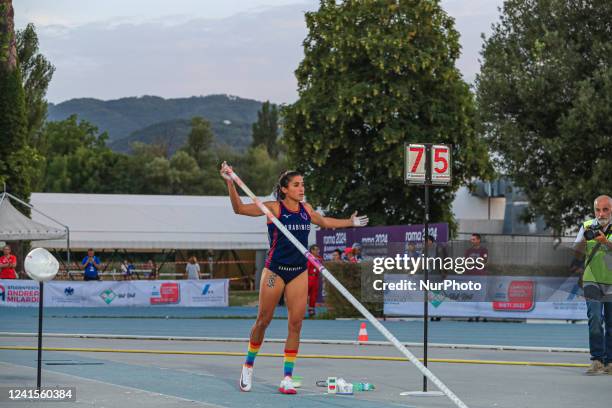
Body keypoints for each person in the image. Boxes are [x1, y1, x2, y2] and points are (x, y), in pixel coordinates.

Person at [220, 163, 368, 394]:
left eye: (303, 185)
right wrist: (230, 181)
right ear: (285, 189)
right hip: (274, 272)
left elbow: (325, 222)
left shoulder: (306, 209)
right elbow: (238, 208)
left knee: (296, 324)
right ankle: (248, 364)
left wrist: (350, 222)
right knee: (263, 320)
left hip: (298, 271)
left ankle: (287, 377)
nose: (301, 189)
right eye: (297, 185)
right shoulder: (273, 209)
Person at [574, 195, 612, 375]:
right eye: (598, 209)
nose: (601, 213)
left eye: (605, 209)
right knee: (595, 319)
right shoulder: (587, 225)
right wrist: (583, 241)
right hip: (592, 279)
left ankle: (610, 362)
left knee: (611, 322)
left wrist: (606, 242)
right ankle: (597, 360)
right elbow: (576, 253)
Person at [307, 245, 323, 318]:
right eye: (316, 250)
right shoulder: (308, 258)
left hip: (316, 278)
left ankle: (311, 310)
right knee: (304, 294)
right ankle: (299, 309)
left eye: (318, 250)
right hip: (308, 277)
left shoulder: (320, 259)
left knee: (314, 295)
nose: (318, 251)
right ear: (312, 251)